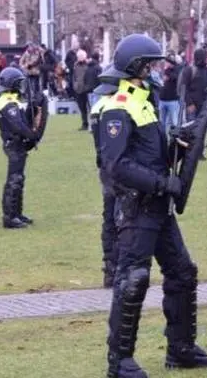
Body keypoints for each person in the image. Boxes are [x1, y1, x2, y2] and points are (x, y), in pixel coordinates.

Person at [99, 34, 207, 378]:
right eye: (150, 64)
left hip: (159, 207)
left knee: (183, 272)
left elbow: (149, 156)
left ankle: (180, 349)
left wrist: (176, 146)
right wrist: (163, 183)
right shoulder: (118, 107)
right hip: (137, 208)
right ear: (137, 67)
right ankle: (119, 362)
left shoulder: (145, 100)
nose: (155, 70)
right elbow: (117, 165)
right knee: (133, 280)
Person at [0, 67, 42, 229]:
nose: (21, 87)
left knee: (18, 179)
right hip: (14, 144)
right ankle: (10, 216)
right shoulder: (8, 103)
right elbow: (18, 125)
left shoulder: (9, 101)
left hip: (15, 144)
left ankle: (17, 213)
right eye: (19, 83)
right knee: (14, 180)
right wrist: (32, 135)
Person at [89, 68, 120, 288]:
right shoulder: (115, 108)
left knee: (109, 218)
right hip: (118, 169)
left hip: (104, 168)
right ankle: (119, 267)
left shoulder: (97, 107)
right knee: (120, 218)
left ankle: (109, 268)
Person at [72, 50, 90, 130]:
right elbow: (74, 76)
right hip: (78, 89)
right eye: (78, 56)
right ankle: (84, 124)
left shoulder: (88, 65)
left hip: (87, 89)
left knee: (90, 107)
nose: (79, 58)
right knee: (82, 108)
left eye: (81, 56)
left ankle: (92, 124)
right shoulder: (75, 65)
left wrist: (87, 86)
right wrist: (75, 85)